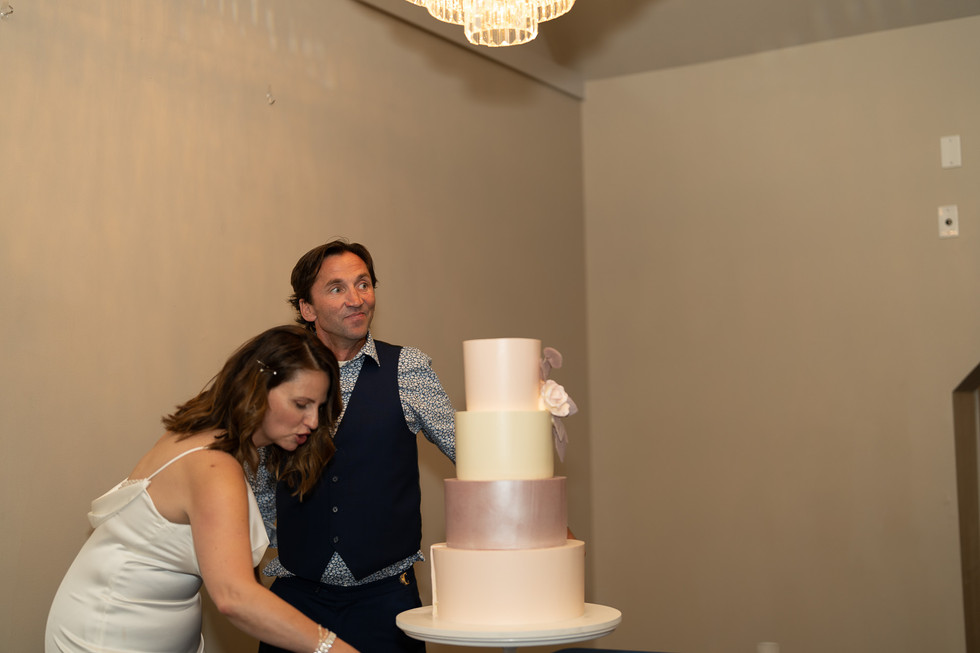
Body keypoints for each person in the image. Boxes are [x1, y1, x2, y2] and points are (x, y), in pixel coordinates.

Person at [45, 325, 359, 653]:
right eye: (301, 403)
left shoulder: (207, 435)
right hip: (107, 633)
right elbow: (235, 597)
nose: (312, 421)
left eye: (319, 407)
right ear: (257, 388)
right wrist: (333, 648)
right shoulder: (215, 467)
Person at [252, 240, 456, 653]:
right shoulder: (276, 374)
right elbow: (258, 478)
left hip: (386, 600)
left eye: (364, 284)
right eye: (337, 288)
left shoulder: (408, 369)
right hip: (297, 596)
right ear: (307, 309)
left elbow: (473, 455)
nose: (356, 299)